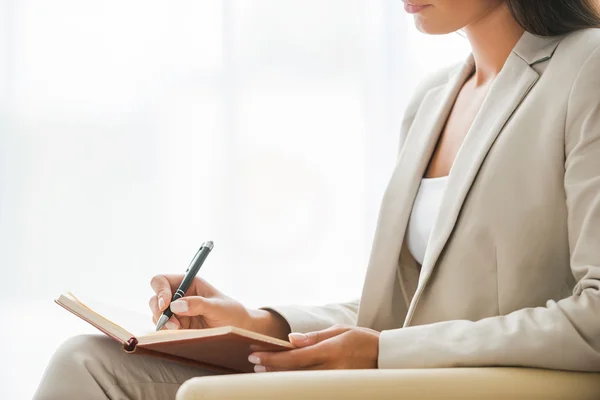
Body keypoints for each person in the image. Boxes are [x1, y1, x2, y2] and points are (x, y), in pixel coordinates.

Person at [35, 0, 600, 398]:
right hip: (403, 375)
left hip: (476, 385)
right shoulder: (434, 99)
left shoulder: (587, 68)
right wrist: (260, 322)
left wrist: (382, 353)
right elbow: (404, 310)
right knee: (87, 363)